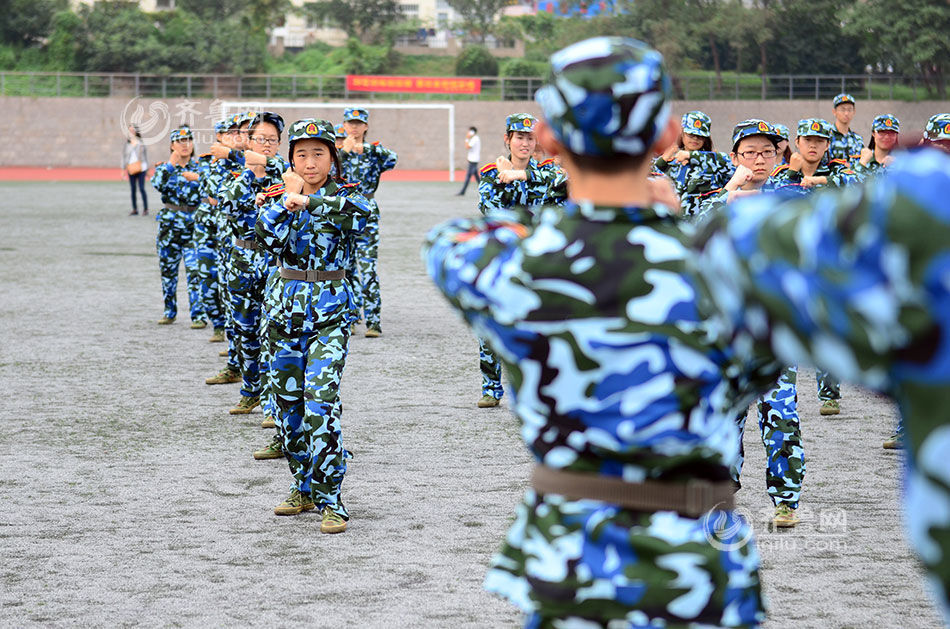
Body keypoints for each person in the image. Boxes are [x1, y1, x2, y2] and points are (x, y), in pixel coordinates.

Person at [425, 35, 950, 626]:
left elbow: (458, 240)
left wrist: (605, 215)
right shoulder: (736, 259)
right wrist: (661, 222)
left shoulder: (502, 264)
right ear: (666, 135)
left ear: (547, 138)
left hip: (568, 564)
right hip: (700, 563)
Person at [256, 118, 370, 532]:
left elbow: (364, 216)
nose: (309, 162)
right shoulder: (275, 196)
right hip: (283, 314)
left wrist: (311, 202)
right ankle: (301, 485)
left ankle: (331, 498)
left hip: (330, 314)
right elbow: (266, 240)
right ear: (290, 159)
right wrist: (287, 202)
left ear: (332, 157)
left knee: (320, 401)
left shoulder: (348, 195)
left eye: (318, 153)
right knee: (288, 409)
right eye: (301, 154)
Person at [698, 120, 807, 528]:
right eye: (749, 152)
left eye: (766, 152)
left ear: (779, 157)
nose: (758, 160)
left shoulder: (792, 198)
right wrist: (729, 191)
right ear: (734, 158)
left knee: (780, 416)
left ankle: (786, 500)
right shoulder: (715, 200)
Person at [473, 112, 567, 409]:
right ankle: (491, 387)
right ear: (507, 140)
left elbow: (563, 183)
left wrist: (520, 175)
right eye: (519, 137)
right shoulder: (490, 174)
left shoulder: (547, 172)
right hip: (504, 257)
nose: (525, 143)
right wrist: (512, 180)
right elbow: (493, 213)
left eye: (529, 138)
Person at [773, 118, 858, 416]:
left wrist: (819, 181)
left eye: (819, 141)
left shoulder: (838, 169)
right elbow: (770, 197)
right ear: (797, 142)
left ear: (827, 145)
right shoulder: (784, 172)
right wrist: (795, 174)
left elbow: (857, 181)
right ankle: (780, 394)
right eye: (808, 139)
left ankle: (829, 395)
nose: (813, 145)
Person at [219, 112, 289, 416]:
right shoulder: (233, 174)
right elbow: (228, 206)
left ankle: (274, 405)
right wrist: (250, 170)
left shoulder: (287, 174)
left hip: (274, 262)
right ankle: (250, 391)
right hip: (242, 261)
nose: (266, 145)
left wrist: (258, 163)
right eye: (260, 139)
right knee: (245, 331)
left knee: (272, 333)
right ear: (249, 141)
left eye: (272, 140)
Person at [339, 107, 398, 338]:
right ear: (344, 126)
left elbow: (393, 158)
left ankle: (374, 322)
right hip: (342, 213)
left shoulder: (373, 153)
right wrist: (343, 151)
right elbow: (328, 171)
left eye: (358, 123)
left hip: (367, 212)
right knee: (347, 268)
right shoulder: (337, 152)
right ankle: (351, 318)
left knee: (368, 268)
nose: (354, 127)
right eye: (350, 123)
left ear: (365, 127)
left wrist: (369, 148)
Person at [149, 126, 204, 326]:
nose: (185, 144)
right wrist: (170, 166)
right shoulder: (165, 168)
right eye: (180, 141)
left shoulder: (200, 167)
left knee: (195, 271)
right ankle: (169, 311)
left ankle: (198, 316)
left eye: (188, 140)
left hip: (193, 225)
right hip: (169, 227)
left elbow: (209, 186)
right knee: (168, 271)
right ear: (172, 145)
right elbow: (156, 184)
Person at [654, 111, 734, 216]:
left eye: (700, 136)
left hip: (705, 222)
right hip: (676, 222)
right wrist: (664, 158)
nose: (695, 139)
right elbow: (648, 176)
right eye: (691, 135)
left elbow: (731, 166)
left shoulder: (714, 161)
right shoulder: (671, 161)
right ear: (682, 134)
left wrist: (691, 156)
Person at [855, 114, 899, 179]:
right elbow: (846, 186)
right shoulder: (859, 160)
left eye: (891, 133)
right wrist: (862, 164)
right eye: (882, 132)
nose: (887, 137)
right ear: (873, 133)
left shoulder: (903, 162)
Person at [828, 92, 864, 165]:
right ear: (834, 112)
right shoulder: (827, 136)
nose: (846, 113)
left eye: (849, 109)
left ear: (854, 112)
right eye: (842, 109)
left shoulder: (857, 139)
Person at [122, 124, 149, 216]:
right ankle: (135, 209)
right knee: (133, 189)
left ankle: (145, 209)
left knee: (141, 188)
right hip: (131, 168)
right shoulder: (127, 143)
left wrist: (147, 170)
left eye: (133, 130)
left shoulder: (141, 143)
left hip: (141, 168)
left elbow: (145, 156)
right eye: (130, 131)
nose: (131, 132)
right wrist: (123, 169)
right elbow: (124, 156)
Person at [457, 126, 481, 195]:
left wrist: (467, 138)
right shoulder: (475, 138)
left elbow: (467, 146)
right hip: (473, 160)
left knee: (468, 176)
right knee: (476, 177)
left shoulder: (475, 138)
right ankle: (484, 189)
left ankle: (462, 191)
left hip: (473, 161)